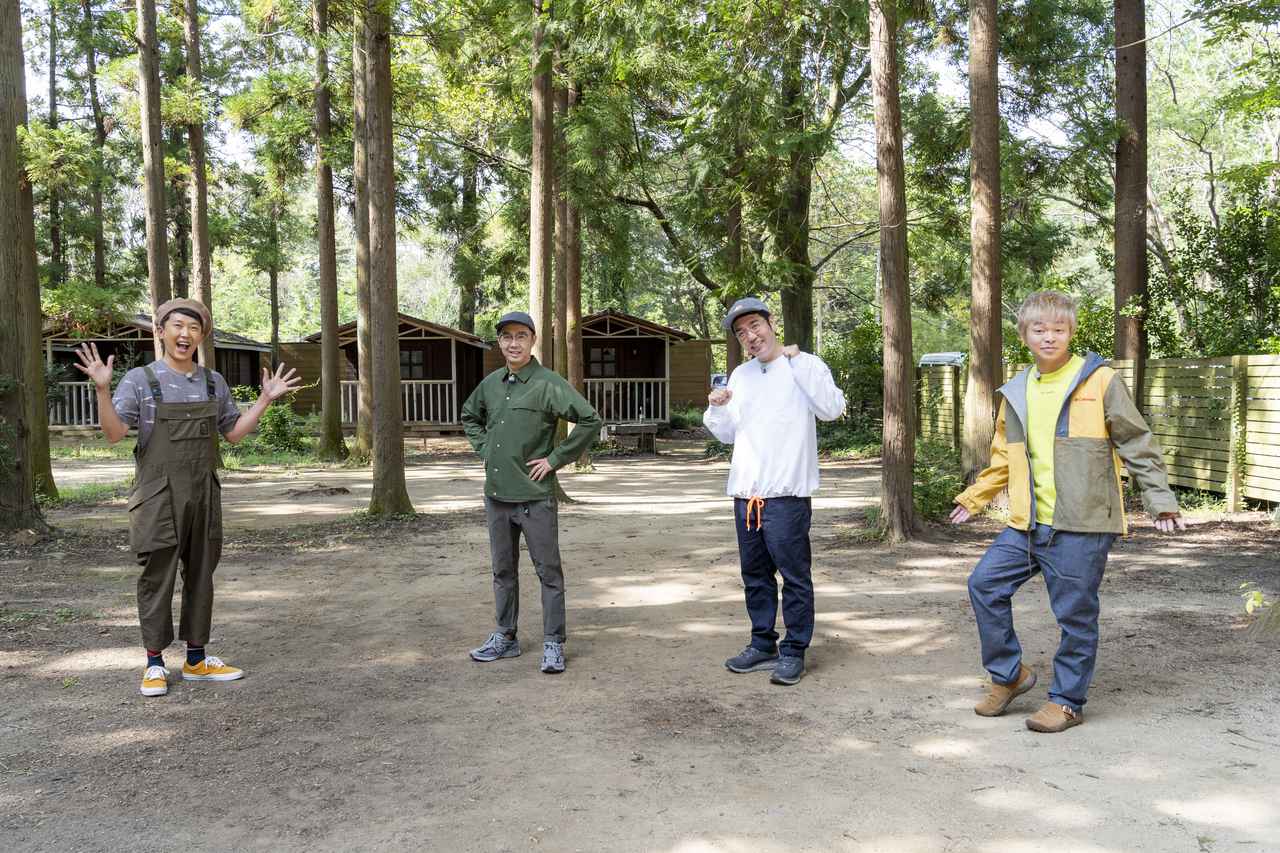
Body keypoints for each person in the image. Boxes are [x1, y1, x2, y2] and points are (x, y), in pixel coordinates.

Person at [951, 290, 1185, 733]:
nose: (1049, 336)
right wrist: (975, 498)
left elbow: (1136, 441)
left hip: (1081, 524)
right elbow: (1003, 459)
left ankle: (1067, 700)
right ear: (1025, 336)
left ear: (1071, 332)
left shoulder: (1098, 380)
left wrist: (1160, 500)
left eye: (1059, 329)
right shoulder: (1016, 391)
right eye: (1039, 329)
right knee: (984, 585)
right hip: (1026, 523)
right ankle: (1010, 676)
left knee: (1075, 615)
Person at [73, 298, 302, 698]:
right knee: (156, 577)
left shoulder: (213, 381)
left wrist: (265, 400)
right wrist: (102, 390)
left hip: (203, 493)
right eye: (177, 326)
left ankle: (196, 659)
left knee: (201, 574)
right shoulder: (140, 380)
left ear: (202, 335)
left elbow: (232, 433)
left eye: (193, 328)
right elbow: (113, 434)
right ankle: (155, 664)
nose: (185, 334)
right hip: (156, 496)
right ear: (161, 331)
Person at [703, 298, 846, 686]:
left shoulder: (806, 364)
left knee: (794, 576)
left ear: (771, 323)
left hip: (786, 496)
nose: (750, 336)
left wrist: (797, 361)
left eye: (755, 326)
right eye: (741, 332)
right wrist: (716, 407)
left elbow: (832, 408)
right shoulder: (740, 375)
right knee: (755, 574)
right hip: (746, 494)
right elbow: (727, 433)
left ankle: (794, 650)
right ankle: (762, 642)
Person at [460, 311, 602, 674]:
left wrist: (556, 458)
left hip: (535, 497)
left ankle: (553, 642)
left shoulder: (548, 383)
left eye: (521, 336)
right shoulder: (491, 384)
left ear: (532, 340)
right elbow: (469, 416)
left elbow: (589, 420)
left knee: (548, 572)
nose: (513, 343)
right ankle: (505, 637)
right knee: (502, 571)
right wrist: (486, 449)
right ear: (500, 342)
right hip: (497, 497)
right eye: (506, 336)